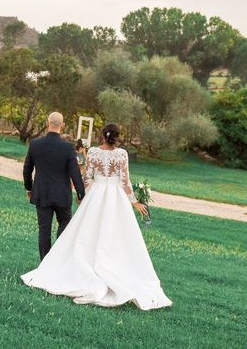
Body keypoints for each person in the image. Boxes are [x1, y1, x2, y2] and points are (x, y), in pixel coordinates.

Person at [21, 123, 172, 311]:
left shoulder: (92, 152)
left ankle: (76, 266)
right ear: (117, 137)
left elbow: (87, 177)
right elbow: (125, 181)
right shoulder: (122, 154)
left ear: (102, 136)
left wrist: (82, 196)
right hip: (115, 196)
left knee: (87, 231)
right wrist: (134, 202)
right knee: (117, 234)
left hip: (96, 195)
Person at [22, 112, 86, 260]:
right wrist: (80, 194)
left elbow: (27, 169)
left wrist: (29, 188)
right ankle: (57, 259)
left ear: (47, 123)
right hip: (62, 195)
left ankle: (45, 263)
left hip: (42, 193)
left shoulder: (35, 144)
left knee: (44, 229)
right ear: (62, 126)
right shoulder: (68, 148)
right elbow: (75, 173)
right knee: (65, 223)